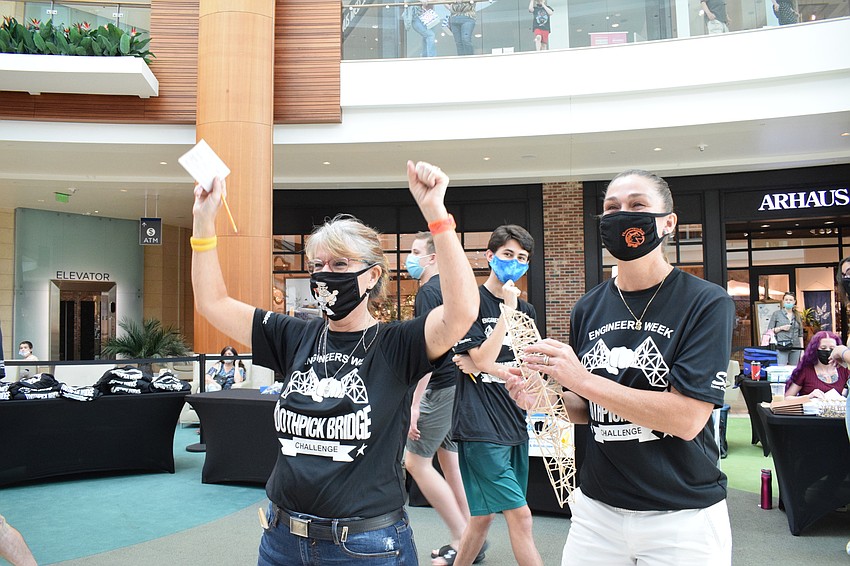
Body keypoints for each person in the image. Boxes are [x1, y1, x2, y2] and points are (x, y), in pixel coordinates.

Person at [191, 161, 478, 565]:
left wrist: (437, 216)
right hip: (281, 539)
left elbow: (462, 311)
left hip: (365, 546)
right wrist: (203, 224)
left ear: (372, 276)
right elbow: (212, 303)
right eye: (318, 266)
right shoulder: (294, 335)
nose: (326, 276)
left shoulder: (396, 343)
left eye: (341, 265)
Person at [506, 169, 734, 565]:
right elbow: (585, 408)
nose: (622, 214)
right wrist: (545, 400)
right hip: (597, 511)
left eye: (637, 205)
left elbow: (687, 419)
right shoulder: (588, 307)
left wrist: (580, 378)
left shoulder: (706, 303)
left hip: (680, 514)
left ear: (668, 222)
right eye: (611, 208)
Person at [444, 224, 542, 566]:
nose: (515, 263)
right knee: (522, 516)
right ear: (490, 256)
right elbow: (483, 359)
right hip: (479, 428)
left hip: (515, 424)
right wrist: (506, 313)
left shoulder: (527, 312)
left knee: (482, 518)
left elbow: (529, 368)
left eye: (522, 258)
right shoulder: (471, 303)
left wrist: (487, 366)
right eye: (507, 255)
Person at [403, 231, 475, 565]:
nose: (410, 257)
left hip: (441, 386)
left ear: (432, 257)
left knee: (415, 462)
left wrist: (416, 403)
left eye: (416, 251)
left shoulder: (429, 292)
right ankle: (469, 538)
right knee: (449, 460)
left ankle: (463, 539)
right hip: (455, 384)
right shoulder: (442, 289)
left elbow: (429, 350)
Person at [785, 330, 849, 399]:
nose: (827, 351)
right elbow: (787, 398)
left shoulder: (844, 370)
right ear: (815, 349)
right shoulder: (806, 370)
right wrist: (809, 397)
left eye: (831, 348)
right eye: (823, 348)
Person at [767, 292, 804, 366]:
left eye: (790, 300)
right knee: (781, 368)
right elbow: (769, 330)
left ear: (794, 302)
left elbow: (800, 334)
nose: (788, 301)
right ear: (783, 301)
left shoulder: (797, 315)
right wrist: (781, 328)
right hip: (782, 346)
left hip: (796, 347)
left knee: (794, 370)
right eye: (786, 300)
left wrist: (802, 350)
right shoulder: (777, 314)